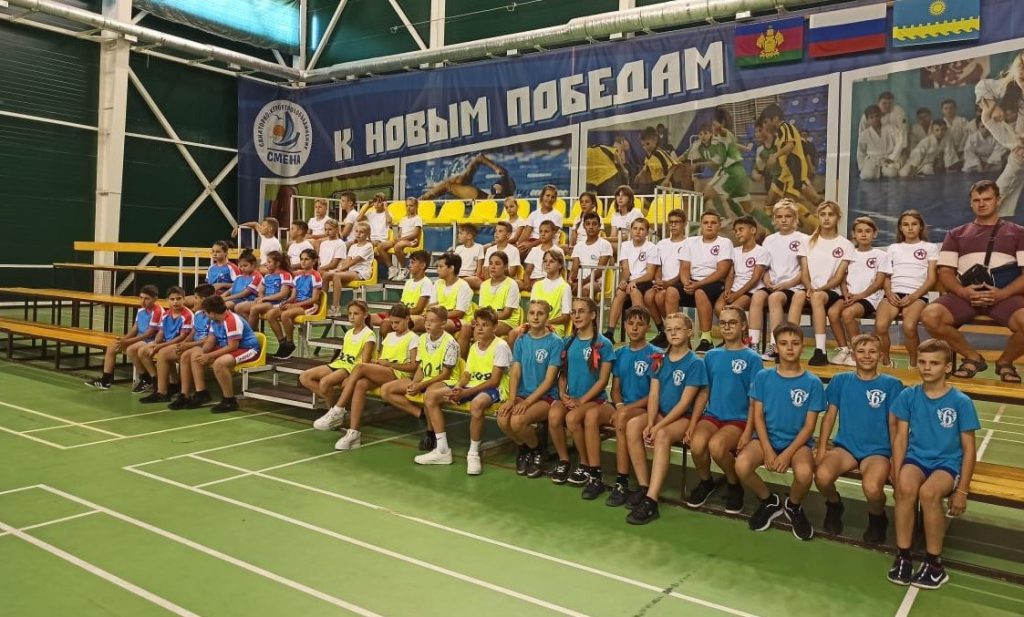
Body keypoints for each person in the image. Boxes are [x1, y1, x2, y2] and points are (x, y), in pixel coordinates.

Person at [888, 339, 979, 589]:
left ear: (947, 367)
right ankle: (904, 556)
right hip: (916, 458)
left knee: (929, 493)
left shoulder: (960, 401)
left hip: (946, 463)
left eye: (935, 363)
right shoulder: (909, 395)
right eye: (923, 362)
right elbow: (900, 438)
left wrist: (962, 491)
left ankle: (934, 564)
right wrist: (897, 472)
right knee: (905, 489)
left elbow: (969, 448)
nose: (927, 368)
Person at [921, 180, 1024, 382]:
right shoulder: (956, 234)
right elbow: (945, 272)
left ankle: (1005, 362)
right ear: (971, 203)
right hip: (965, 295)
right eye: (977, 200)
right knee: (930, 316)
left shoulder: (1019, 232)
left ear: (998, 200)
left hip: (1005, 295)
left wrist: (1002, 293)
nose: (982, 204)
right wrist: (963, 292)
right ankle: (972, 358)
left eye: (987, 199)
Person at [735, 322, 825, 541]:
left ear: (803, 346)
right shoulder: (763, 377)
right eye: (784, 343)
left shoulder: (813, 383)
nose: (790, 348)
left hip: (798, 443)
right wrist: (767, 449)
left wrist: (786, 454)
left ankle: (793, 505)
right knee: (741, 465)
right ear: (776, 348)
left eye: (795, 343)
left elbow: (809, 426)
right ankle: (769, 501)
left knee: (804, 474)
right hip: (766, 438)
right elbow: (758, 416)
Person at [815, 334, 904, 544]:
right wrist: (822, 447)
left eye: (872, 351)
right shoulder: (840, 380)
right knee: (822, 477)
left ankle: (877, 517)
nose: (867, 356)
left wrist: (895, 459)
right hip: (846, 448)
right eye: (861, 352)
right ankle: (834, 504)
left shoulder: (892, 385)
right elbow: (830, 416)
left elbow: (895, 426)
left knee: (872, 489)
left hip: (878, 451)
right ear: (853, 355)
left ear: (880, 355)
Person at [625, 313, 708, 524]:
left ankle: (651, 501)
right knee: (633, 425)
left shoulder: (695, 363)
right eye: (669, 330)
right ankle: (644, 486)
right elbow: (653, 394)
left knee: (661, 435)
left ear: (689, 332)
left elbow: (684, 403)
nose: (673, 333)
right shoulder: (659, 359)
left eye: (678, 329)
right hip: (660, 413)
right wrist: (650, 422)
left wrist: (658, 426)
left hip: (682, 418)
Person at [682, 305, 763, 513]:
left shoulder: (753, 359)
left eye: (732, 323)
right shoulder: (711, 356)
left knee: (717, 447)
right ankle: (706, 482)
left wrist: (748, 432)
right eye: (723, 323)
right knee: (697, 444)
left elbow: (755, 400)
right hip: (713, 416)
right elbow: (704, 392)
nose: (727, 327)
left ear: (743, 326)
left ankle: (734, 484)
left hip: (738, 419)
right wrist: (693, 423)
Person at [580, 306, 658, 501]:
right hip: (622, 406)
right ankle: (595, 475)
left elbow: (654, 395)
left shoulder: (656, 354)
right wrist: (621, 405)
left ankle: (621, 481)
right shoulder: (620, 353)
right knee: (591, 415)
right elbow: (615, 389)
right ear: (624, 325)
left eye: (640, 324)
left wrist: (625, 409)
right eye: (630, 323)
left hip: (644, 408)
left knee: (622, 418)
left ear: (648, 327)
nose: (634, 328)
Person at [420, 308, 511, 474]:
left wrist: (466, 393)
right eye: (477, 325)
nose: (480, 328)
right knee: (431, 396)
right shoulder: (475, 346)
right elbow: (467, 374)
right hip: (471, 387)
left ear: (495, 327)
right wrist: (458, 387)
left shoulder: (501, 346)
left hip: (495, 389)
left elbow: (494, 381)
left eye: (485, 325)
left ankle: (473, 453)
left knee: (477, 404)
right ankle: (442, 450)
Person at [331, 304, 419, 451]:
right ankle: (354, 433)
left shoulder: (413, 338)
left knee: (360, 367)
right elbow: (383, 358)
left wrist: (389, 364)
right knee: (361, 384)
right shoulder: (389, 336)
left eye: (397, 322)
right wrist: (376, 363)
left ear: (407, 319)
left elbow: (413, 366)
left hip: (399, 375)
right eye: (392, 322)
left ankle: (338, 409)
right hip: (385, 372)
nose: (394, 326)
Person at [380, 306, 462, 458]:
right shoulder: (423, 338)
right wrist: (415, 383)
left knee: (429, 394)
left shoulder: (450, 343)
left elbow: (446, 374)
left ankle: (431, 434)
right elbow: (421, 367)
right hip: (425, 379)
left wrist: (421, 385)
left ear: (443, 323)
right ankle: (421, 415)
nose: (428, 324)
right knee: (386, 390)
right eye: (426, 320)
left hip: (445, 380)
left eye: (432, 321)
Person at [549, 297, 614, 486]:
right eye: (574, 312)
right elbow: (563, 373)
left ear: (593, 315)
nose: (576, 316)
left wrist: (581, 401)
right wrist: (562, 394)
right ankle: (564, 460)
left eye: (581, 311)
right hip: (571, 397)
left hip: (594, 400)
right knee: (554, 415)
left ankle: (585, 464)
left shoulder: (603, 343)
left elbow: (602, 380)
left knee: (572, 418)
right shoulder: (568, 342)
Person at [497, 300, 564, 478]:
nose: (535, 317)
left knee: (517, 421)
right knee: (502, 419)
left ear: (547, 317)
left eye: (540, 313)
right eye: (532, 313)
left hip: (545, 397)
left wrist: (526, 403)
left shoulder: (555, 342)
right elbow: (515, 373)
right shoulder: (521, 341)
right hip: (522, 394)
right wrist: (512, 399)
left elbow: (549, 381)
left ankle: (537, 451)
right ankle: (524, 449)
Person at [874, 210, 938, 368]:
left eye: (914, 224)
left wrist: (914, 296)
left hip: (916, 295)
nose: (910, 228)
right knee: (880, 326)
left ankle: (914, 364)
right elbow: (886, 276)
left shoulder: (930, 247)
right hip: (894, 294)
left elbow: (931, 279)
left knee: (909, 327)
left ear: (921, 227)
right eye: (906, 224)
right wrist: (889, 293)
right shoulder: (893, 248)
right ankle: (887, 362)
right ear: (900, 228)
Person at [750, 199, 808, 360]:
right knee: (757, 296)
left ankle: (775, 345)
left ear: (795, 218)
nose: (784, 220)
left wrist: (788, 283)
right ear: (774, 219)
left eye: (788, 216)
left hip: (793, 286)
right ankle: (752, 344)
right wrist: (766, 278)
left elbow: (806, 270)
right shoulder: (769, 240)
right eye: (780, 217)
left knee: (774, 298)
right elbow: (765, 266)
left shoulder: (804, 239)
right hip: (773, 284)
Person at [306, 301, 377, 429]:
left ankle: (334, 413)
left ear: (365, 315)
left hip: (352, 368)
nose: (352, 317)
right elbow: (343, 354)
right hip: (340, 364)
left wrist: (350, 376)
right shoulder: (349, 333)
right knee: (305, 377)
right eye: (350, 313)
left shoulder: (369, 335)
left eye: (356, 314)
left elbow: (365, 363)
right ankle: (336, 410)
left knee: (324, 383)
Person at [185, 294, 263, 412]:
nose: (204, 314)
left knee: (219, 364)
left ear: (212, 313)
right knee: (196, 355)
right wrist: (203, 353)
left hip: (247, 348)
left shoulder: (232, 320)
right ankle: (201, 393)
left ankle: (229, 400)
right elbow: (211, 340)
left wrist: (209, 356)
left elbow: (233, 346)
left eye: (205, 312)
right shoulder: (215, 320)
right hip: (229, 346)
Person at [669, 211, 732, 352]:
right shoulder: (690, 242)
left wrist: (697, 285)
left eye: (713, 223)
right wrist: (686, 283)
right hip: (693, 282)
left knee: (700, 292)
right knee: (671, 291)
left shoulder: (724, 242)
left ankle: (706, 339)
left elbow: (722, 271)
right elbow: (684, 268)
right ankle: (678, 337)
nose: (709, 225)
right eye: (706, 222)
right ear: (701, 225)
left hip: (715, 283)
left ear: (719, 225)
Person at [800, 201, 854, 366]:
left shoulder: (845, 244)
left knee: (817, 298)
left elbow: (838, 277)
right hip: (811, 290)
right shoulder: (807, 241)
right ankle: (785, 346)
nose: (826, 218)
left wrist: (818, 289)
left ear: (838, 217)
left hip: (833, 292)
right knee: (796, 297)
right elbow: (804, 271)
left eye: (831, 214)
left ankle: (820, 351)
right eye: (823, 214)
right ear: (818, 217)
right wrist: (809, 287)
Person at [832, 217, 890, 367]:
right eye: (859, 231)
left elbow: (879, 282)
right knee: (833, 312)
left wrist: (860, 296)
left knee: (847, 314)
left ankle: (857, 351)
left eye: (868, 231)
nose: (863, 234)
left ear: (874, 234)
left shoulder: (881, 255)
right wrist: (845, 293)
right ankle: (844, 349)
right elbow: (842, 278)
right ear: (853, 234)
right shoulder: (849, 254)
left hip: (869, 298)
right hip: (850, 296)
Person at [85, 285, 162, 391]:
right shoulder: (141, 311)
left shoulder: (158, 311)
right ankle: (106, 380)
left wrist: (127, 341)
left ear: (155, 299)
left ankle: (146, 377)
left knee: (131, 349)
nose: (143, 301)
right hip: (140, 339)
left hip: (150, 340)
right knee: (112, 346)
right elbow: (135, 328)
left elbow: (149, 334)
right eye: (141, 298)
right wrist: (123, 340)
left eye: (147, 299)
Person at [605, 218, 659, 343]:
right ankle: (610, 332)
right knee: (620, 292)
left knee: (634, 291)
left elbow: (650, 274)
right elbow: (626, 270)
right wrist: (624, 281)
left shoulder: (651, 247)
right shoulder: (625, 246)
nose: (638, 231)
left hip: (645, 281)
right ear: (631, 230)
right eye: (635, 228)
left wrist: (633, 282)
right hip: (631, 280)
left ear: (647, 233)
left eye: (641, 229)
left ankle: (638, 332)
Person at [138, 286, 194, 403]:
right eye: (172, 299)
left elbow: (182, 337)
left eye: (178, 299)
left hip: (182, 344)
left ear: (184, 299)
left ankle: (162, 391)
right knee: (144, 350)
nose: (175, 302)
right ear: (167, 300)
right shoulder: (166, 315)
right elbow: (161, 332)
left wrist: (161, 346)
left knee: (163, 353)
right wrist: (155, 343)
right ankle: (157, 381)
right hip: (168, 343)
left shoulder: (187, 315)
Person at [685, 123, 753, 218]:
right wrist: (676, 160)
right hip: (721, 173)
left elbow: (732, 144)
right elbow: (686, 154)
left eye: (705, 133)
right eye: (700, 134)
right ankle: (731, 217)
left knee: (705, 196)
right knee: (721, 197)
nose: (703, 136)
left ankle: (694, 220)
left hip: (727, 172)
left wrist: (746, 149)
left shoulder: (716, 142)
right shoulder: (698, 146)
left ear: (711, 134)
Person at [458, 251, 521, 354]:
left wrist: (486, 320)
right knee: (465, 328)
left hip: (506, 321)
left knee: (483, 330)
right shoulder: (484, 285)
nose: (493, 267)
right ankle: (463, 361)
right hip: (486, 319)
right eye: (491, 263)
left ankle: (482, 360)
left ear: (505, 267)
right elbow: (481, 310)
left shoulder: (512, 284)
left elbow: (506, 313)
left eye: (497, 264)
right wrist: (478, 320)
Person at [265, 249, 322, 359]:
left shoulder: (316, 276)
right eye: (302, 259)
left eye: (306, 259)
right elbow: (293, 296)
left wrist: (294, 305)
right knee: (271, 314)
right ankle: (282, 343)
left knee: (285, 315)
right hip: (297, 304)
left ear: (314, 261)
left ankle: (290, 344)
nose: (303, 262)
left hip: (309, 306)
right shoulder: (298, 277)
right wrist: (286, 302)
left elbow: (314, 299)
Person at [166, 285, 216, 410]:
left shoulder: (213, 316)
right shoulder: (198, 314)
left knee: (193, 355)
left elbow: (210, 339)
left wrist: (188, 345)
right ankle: (184, 394)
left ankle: (201, 392)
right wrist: (184, 343)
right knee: (183, 355)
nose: (194, 300)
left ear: (204, 300)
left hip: (211, 346)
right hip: (198, 344)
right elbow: (193, 332)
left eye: (196, 298)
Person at [646, 209, 688, 347]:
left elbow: (684, 270)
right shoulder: (662, 244)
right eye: (671, 222)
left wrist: (668, 283)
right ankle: (662, 331)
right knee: (648, 296)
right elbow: (658, 266)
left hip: (678, 283)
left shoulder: (689, 243)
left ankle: (671, 330)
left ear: (684, 224)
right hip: (662, 283)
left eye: (677, 222)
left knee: (659, 297)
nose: (673, 225)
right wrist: (658, 281)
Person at [512, 249, 571, 348]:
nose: (547, 264)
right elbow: (531, 310)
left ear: (560, 265)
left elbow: (565, 317)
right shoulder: (537, 285)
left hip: (553, 326)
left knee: (535, 335)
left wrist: (546, 323)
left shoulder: (565, 287)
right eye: (545, 261)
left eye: (552, 261)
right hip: (535, 323)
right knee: (513, 333)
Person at [716, 215, 769, 322]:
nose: (737, 233)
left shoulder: (762, 251)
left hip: (751, 290)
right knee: (718, 308)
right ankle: (733, 331)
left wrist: (737, 294)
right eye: (736, 231)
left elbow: (755, 278)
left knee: (732, 312)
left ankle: (743, 331)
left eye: (741, 229)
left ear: (753, 230)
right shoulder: (734, 251)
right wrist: (727, 289)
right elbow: (731, 274)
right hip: (734, 288)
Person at [419, 153, 515, 201]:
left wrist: (496, 168)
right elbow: (479, 158)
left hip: (481, 197)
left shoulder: (462, 181)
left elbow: (447, 186)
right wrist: (496, 168)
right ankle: (426, 195)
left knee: (448, 185)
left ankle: (422, 198)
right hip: (486, 196)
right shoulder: (463, 179)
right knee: (451, 183)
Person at [328, 221, 374, 317]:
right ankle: (326, 305)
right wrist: (339, 268)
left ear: (367, 234)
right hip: (351, 272)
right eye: (356, 231)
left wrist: (339, 270)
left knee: (336, 276)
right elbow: (347, 261)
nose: (358, 234)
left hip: (361, 273)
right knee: (330, 275)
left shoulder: (368, 246)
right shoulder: (353, 246)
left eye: (361, 232)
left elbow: (355, 261)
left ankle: (335, 307)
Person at [383, 249, 434, 335]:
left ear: (422, 265)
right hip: (406, 314)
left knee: (390, 324)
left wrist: (399, 314)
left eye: (413, 263)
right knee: (379, 321)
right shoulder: (408, 282)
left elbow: (419, 309)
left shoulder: (426, 282)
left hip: (420, 317)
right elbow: (402, 303)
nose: (409, 265)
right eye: (410, 262)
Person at [569, 211, 613, 299]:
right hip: (578, 281)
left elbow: (599, 271)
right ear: (584, 226)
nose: (591, 227)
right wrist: (570, 282)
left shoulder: (605, 244)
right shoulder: (578, 246)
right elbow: (574, 269)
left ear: (599, 226)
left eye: (594, 224)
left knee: (585, 290)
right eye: (588, 224)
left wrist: (581, 283)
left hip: (596, 282)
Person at [429, 252, 474, 338]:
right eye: (437, 267)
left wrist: (437, 315)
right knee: (414, 321)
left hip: (461, 320)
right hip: (439, 316)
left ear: (451, 268)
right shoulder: (438, 283)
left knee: (436, 325)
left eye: (441, 267)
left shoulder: (463, 286)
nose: (437, 270)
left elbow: (459, 313)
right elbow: (432, 305)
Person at [245, 251, 294, 328]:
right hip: (266, 302)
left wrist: (265, 298)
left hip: (278, 304)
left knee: (254, 309)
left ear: (277, 264)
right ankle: (254, 330)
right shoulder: (267, 276)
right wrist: (261, 297)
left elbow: (283, 294)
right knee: (239, 307)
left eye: (269, 262)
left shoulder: (285, 275)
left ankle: (250, 334)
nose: (266, 264)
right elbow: (260, 291)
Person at [377, 197, 422, 281]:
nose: (408, 208)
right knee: (380, 247)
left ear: (416, 206)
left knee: (397, 246)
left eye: (411, 206)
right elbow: (399, 233)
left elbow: (415, 234)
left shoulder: (417, 219)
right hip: (402, 240)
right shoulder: (403, 219)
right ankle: (391, 268)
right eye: (407, 205)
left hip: (412, 241)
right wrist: (397, 238)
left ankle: (403, 268)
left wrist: (400, 239)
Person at [857, 105, 904, 180]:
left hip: (887, 158)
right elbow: (861, 152)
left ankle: (883, 170)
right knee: (867, 176)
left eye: (877, 116)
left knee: (892, 173)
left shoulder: (890, 128)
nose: (875, 119)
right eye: (871, 117)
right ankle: (875, 170)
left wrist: (892, 157)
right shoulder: (864, 134)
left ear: (881, 116)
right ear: (867, 120)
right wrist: (861, 166)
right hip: (872, 159)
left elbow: (900, 141)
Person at [519, 185, 563, 257]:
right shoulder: (534, 214)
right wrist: (518, 245)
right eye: (547, 196)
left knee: (526, 252)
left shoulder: (557, 215)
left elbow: (549, 236)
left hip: (547, 243)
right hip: (531, 242)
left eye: (553, 197)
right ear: (542, 196)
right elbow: (526, 234)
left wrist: (530, 245)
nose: (550, 199)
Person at [521, 220, 564, 292]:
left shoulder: (558, 250)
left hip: (549, 280)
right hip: (533, 280)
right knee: (515, 283)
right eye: (540, 231)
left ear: (553, 233)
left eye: (546, 231)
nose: (543, 234)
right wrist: (527, 283)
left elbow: (560, 271)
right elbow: (527, 271)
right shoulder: (534, 250)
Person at [609, 185, 644, 251]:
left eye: (624, 195)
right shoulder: (615, 215)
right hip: (620, 242)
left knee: (607, 247)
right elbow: (613, 236)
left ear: (629, 199)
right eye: (618, 195)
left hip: (634, 243)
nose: (620, 198)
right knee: (604, 245)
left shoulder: (636, 212)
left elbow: (633, 235)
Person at [453, 223, 486, 290]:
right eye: (459, 233)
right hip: (458, 276)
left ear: (469, 236)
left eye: (461, 233)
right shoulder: (458, 248)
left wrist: (477, 277)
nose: (458, 235)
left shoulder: (479, 247)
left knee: (476, 280)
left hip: (471, 277)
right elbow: (454, 265)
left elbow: (479, 267)